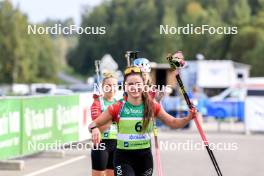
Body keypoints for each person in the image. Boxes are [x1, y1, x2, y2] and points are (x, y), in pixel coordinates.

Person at [89, 66, 197, 176]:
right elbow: (93, 124)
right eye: (130, 84)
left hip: (144, 158)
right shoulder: (117, 107)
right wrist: (94, 129)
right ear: (125, 87)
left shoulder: (152, 106)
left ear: (143, 86)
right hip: (123, 158)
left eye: (138, 84)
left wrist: (188, 118)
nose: (135, 87)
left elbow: (173, 122)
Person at [90, 72, 118, 176]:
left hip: (117, 144)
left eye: (114, 85)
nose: (112, 88)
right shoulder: (97, 103)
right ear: (103, 87)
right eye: (108, 85)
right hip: (102, 144)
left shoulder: (119, 103)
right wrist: (112, 118)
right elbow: (98, 128)